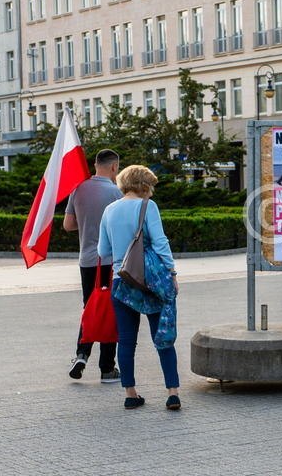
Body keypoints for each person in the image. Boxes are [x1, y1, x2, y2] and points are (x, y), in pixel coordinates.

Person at [98, 165, 181, 410]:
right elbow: (160, 241)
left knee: (126, 341)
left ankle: (131, 394)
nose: (152, 193)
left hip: (121, 281)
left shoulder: (109, 210)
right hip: (149, 283)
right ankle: (173, 392)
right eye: (151, 187)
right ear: (143, 186)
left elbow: (103, 251)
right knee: (162, 338)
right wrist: (172, 272)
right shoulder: (147, 207)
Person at [64, 149, 123, 383]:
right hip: (109, 261)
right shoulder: (117, 193)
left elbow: (68, 225)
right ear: (114, 167)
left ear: (95, 164)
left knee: (90, 308)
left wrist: (88, 221)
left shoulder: (78, 189)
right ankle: (107, 369)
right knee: (110, 310)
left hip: (87, 261)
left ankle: (81, 354)